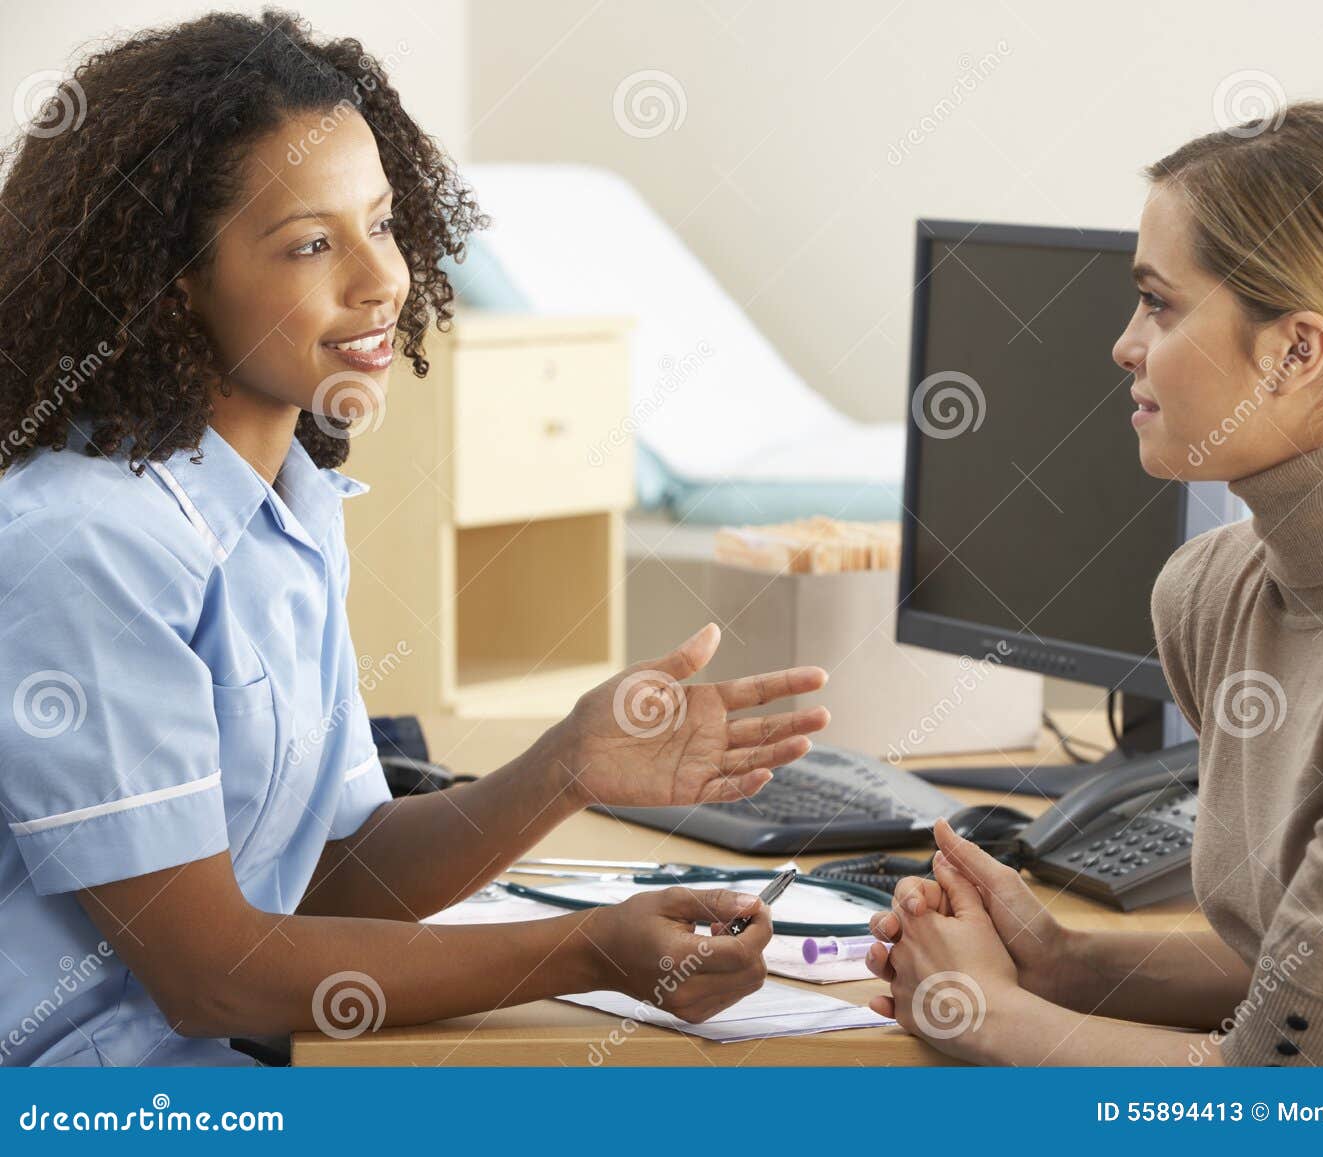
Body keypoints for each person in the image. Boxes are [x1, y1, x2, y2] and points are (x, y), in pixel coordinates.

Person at [0, 10, 829, 1067]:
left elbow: (333, 872)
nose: (379, 277)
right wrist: (585, 951)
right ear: (175, 286)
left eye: (382, 223)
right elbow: (211, 972)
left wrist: (567, 763)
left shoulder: (286, 512)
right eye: (311, 243)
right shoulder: (86, 542)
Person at [866, 100, 1323, 1066]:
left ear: (1297, 349)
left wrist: (987, 1014)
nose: (1125, 344)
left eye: (1159, 303)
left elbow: (1275, 1090)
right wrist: (1059, 961)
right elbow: (1303, 968)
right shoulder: (1211, 592)